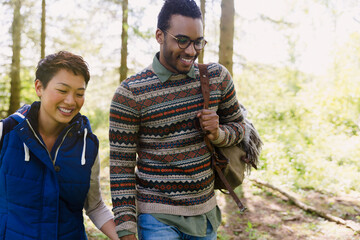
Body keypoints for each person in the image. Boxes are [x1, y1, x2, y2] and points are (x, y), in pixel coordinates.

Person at [109, 0, 248, 239]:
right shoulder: (130, 93)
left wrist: (219, 134)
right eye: (182, 40)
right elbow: (121, 169)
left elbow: (240, 128)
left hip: (204, 216)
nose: (191, 51)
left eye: (198, 42)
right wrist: (126, 231)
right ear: (160, 36)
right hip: (156, 217)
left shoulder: (216, 78)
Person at [0, 51, 119, 240]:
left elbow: (95, 206)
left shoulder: (87, 146)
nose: (71, 101)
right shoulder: (6, 133)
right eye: (62, 91)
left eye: (79, 93)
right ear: (39, 87)